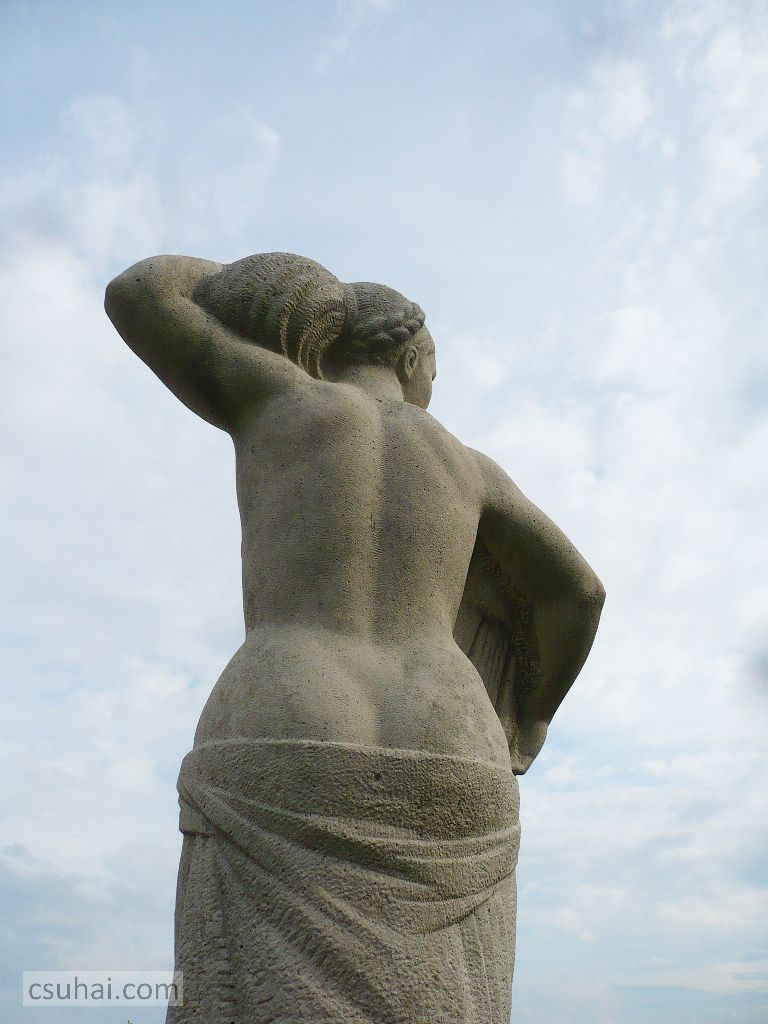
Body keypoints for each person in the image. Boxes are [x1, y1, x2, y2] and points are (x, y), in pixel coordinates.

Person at [105, 252, 604, 1024]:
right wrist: (529, 721)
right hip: (452, 728)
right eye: (434, 365)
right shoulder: (471, 469)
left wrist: (292, 293)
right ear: (411, 357)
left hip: (287, 702)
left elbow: (140, 292)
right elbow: (578, 592)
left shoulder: (277, 397)